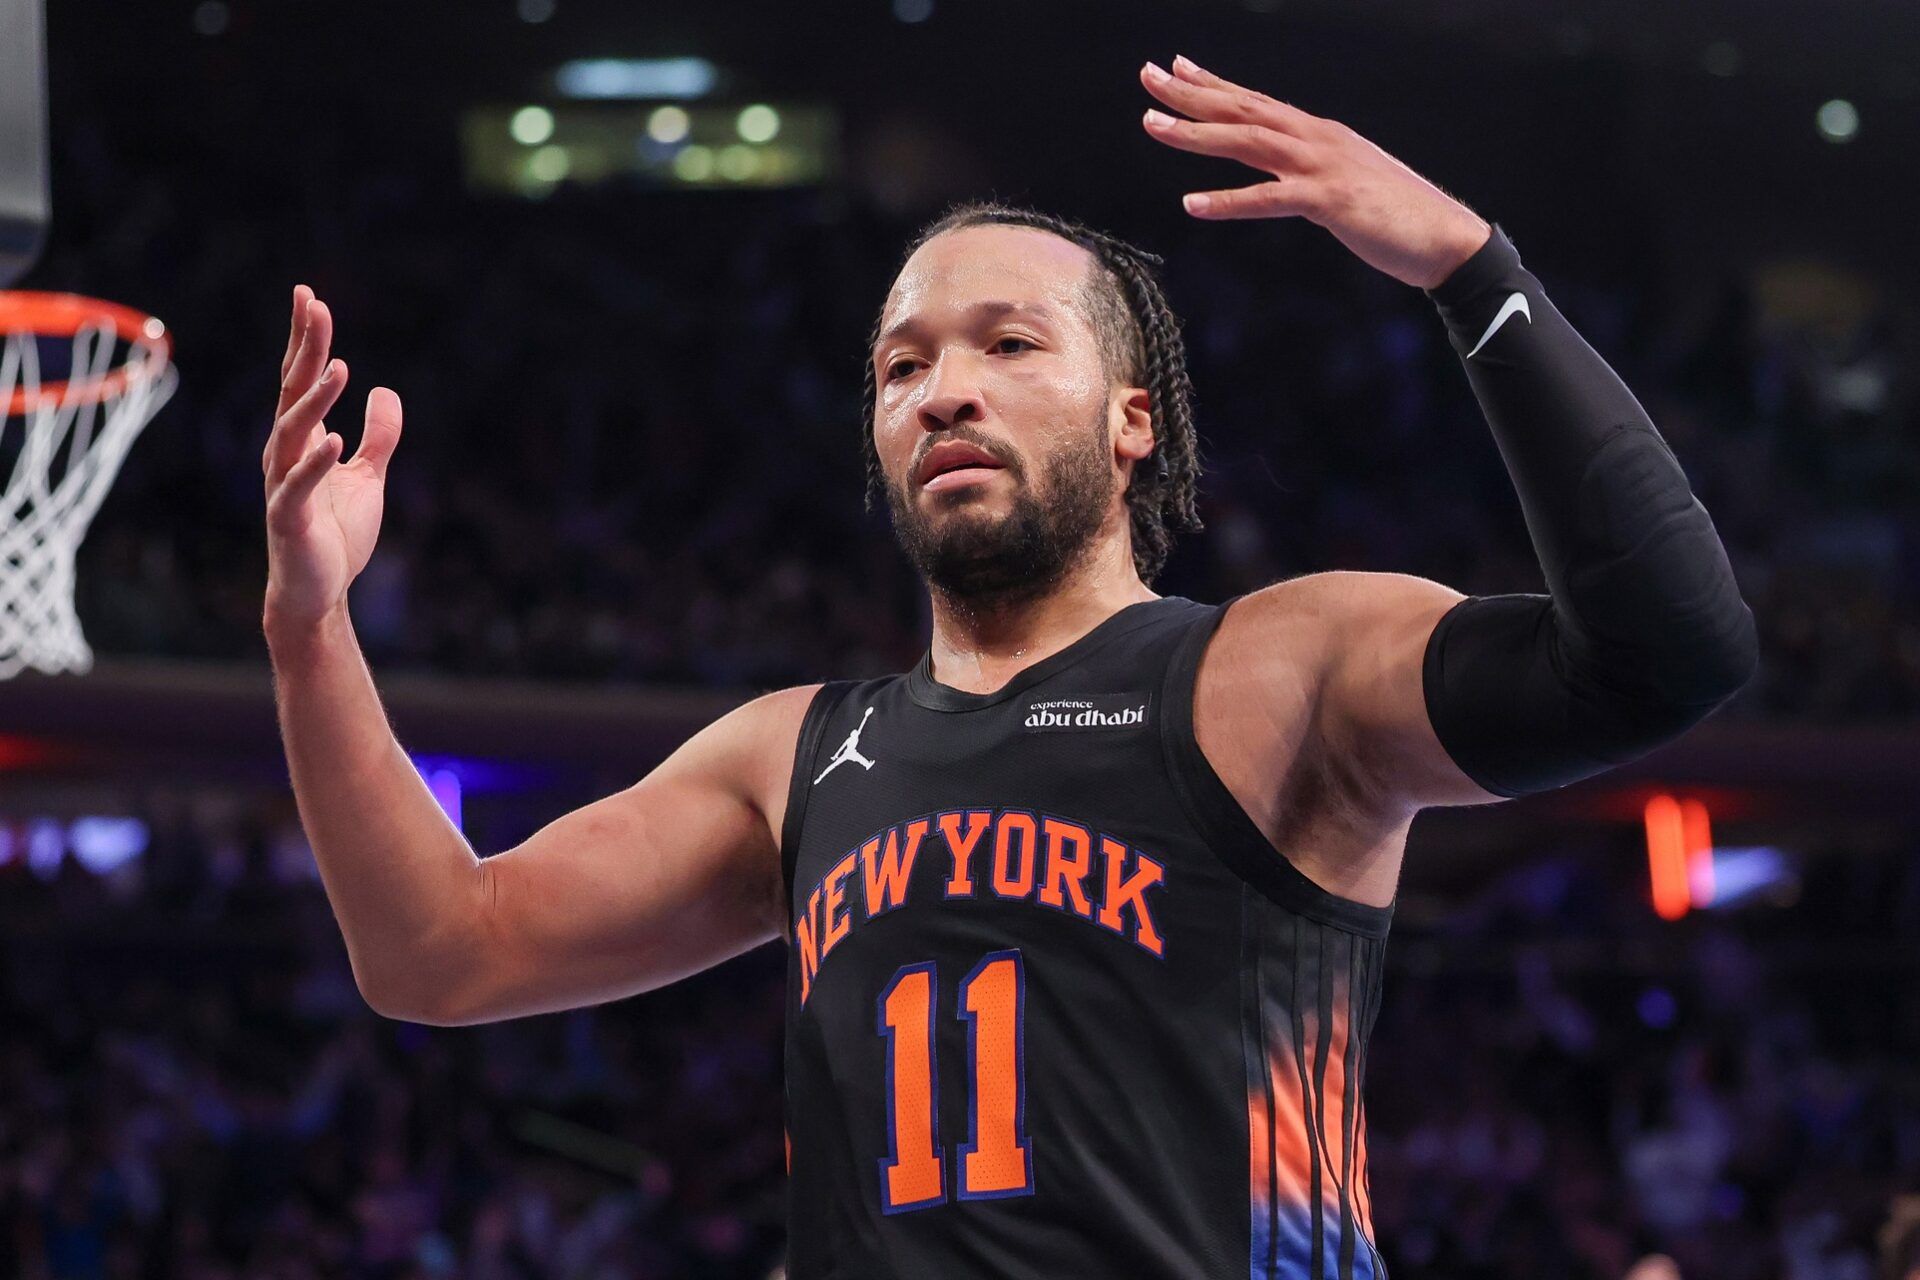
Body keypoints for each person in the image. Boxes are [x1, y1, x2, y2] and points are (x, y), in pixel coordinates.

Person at [261, 54, 1757, 1280]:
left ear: (1133, 418)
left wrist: (1470, 271)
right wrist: (310, 630)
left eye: (1008, 345)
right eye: (903, 366)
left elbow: (1668, 652)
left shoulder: (1276, 668)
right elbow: (437, 954)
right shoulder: (791, 756)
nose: (946, 390)